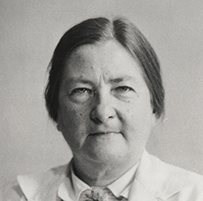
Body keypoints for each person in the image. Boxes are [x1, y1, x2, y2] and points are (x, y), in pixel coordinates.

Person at [1, 17, 203, 201]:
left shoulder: (194, 194)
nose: (102, 111)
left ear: (154, 108)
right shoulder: (15, 196)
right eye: (82, 90)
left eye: (123, 88)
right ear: (57, 113)